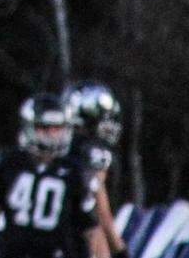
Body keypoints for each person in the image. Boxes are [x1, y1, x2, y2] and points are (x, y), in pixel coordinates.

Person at [0, 93, 110, 258]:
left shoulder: (74, 171)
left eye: (57, 128)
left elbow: (91, 229)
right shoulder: (9, 163)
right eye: (45, 128)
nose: (52, 135)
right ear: (30, 127)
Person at [64, 82, 126, 258]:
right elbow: (99, 206)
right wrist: (120, 248)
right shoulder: (93, 152)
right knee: (94, 229)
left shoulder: (57, 146)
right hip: (74, 230)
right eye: (105, 118)